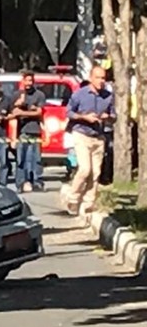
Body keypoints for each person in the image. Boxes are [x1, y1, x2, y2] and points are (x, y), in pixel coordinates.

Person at [64, 65, 115, 216]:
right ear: (91, 78)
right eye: (98, 78)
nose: (101, 81)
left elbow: (114, 116)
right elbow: (69, 112)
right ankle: (72, 198)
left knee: (96, 172)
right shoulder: (80, 94)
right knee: (85, 169)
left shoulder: (108, 96)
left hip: (98, 137)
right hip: (81, 134)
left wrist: (108, 117)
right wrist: (84, 117)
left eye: (103, 78)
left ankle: (88, 203)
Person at [7, 70, 45, 192]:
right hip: (21, 132)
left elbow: (39, 112)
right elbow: (13, 112)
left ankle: (36, 182)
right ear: (22, 81)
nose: (29, 83)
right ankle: (20, 183)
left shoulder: (39, 95)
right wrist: (19, 104)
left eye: (31, 81)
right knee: (21, 159)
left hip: (35, 131)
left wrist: (23, 112)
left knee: (36, 159)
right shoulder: (16, 95)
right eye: (26, 80)